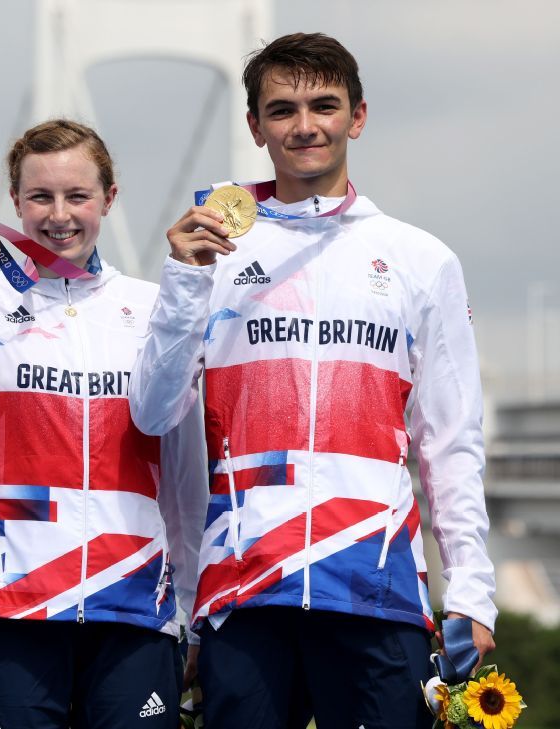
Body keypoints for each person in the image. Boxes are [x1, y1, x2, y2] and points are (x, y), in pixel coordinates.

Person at [128, 32, 497, 729]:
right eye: (282, 110)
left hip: (377, 584)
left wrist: (473, 589)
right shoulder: (212, 249)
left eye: (324, 106)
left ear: (357, 117)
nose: (304, 126)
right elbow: (152, 414)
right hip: (246, 586)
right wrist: (182, 281)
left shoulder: (422, 258)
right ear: (255, 126)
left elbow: (450, 441)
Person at [0, 119, 208, 728]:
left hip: (134, 605)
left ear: (110, 197)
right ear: (15, 202)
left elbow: (182, 473)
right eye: (40, 197)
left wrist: (191, 604)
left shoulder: (151, 306)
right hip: (11, 606)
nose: (60, 216)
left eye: (78, 196)